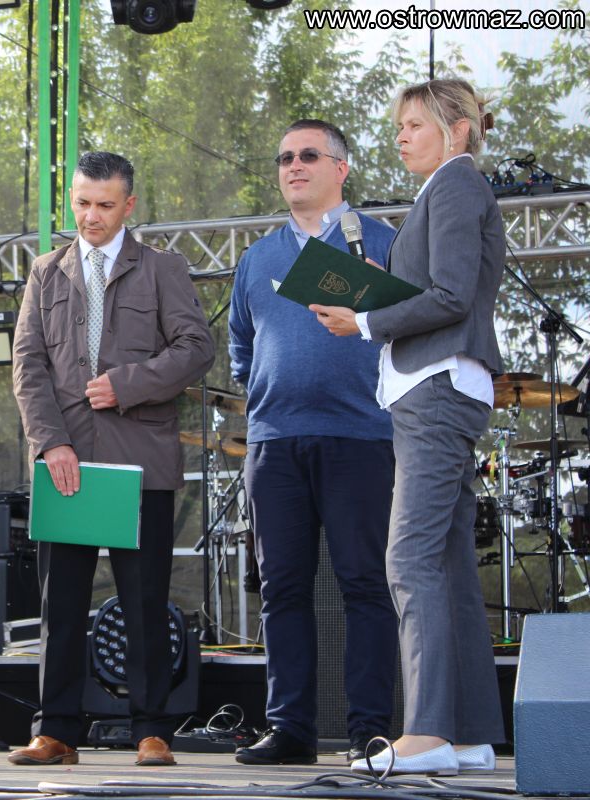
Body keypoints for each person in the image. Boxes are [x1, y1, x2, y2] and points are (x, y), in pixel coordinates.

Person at [310, 79, 505, 776]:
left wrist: (365, 318)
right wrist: (378, 287)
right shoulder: (447, 191)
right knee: (446, 563)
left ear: (457, 130)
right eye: (399, 126)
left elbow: (450, 296)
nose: (400, 136)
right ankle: (468, 735)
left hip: (436, 387)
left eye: (414, 124)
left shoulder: (455, 185)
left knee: (409, 558)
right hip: (441, 386)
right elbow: (439, 289)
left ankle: (425, 731)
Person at [9, 151, 215, 768]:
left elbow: (196, 347)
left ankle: (152, 729)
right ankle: (55, 732)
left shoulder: (163, 268)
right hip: (66, 460)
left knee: (145, 601)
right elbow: (27, 365)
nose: (91, 216)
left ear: (129, 205)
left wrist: (128, 384)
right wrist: (51, 443)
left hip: (139, 461)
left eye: (104, 205)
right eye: (81, 203)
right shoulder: (45, 272)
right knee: (61, 604)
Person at [229, 120, 398, 766]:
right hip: (275, 443)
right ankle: (291, 730)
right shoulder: (257, 258)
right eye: (284, 158)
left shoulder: (380, 243)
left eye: (308, 155)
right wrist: (275, 390)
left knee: (365, 585)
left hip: (362, 438)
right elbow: (241, 346)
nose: (293, 166)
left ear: (341, 168)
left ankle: (369, 731)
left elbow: (409, 328)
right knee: (282, 590)